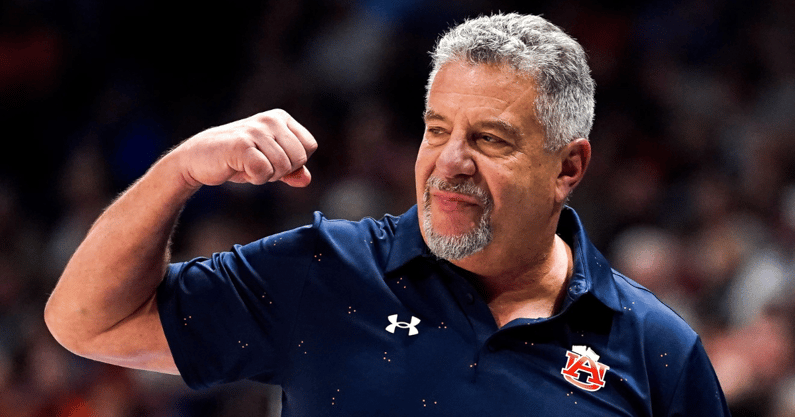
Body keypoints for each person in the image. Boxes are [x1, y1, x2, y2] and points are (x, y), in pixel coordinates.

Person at [45, 13, 730, 416]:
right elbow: (86, 320)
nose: (449, 160)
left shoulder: (654, 348)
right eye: (436, 129)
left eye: (488, 139)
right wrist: (178, 172)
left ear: (568, 167)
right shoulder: (325, 273)